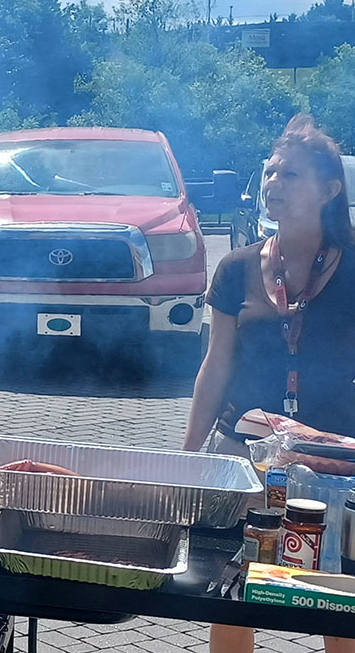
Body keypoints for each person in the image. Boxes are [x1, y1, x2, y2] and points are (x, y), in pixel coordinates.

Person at [182, 114, 355, 653]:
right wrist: (189, 457)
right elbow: (216, 366)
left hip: (334, 463)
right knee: (233, 593)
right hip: (245, 456)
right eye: (271, 172)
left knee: (337, 598)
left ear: (330, 189)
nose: (273, 184)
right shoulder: (235, 268)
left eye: (291, 175)